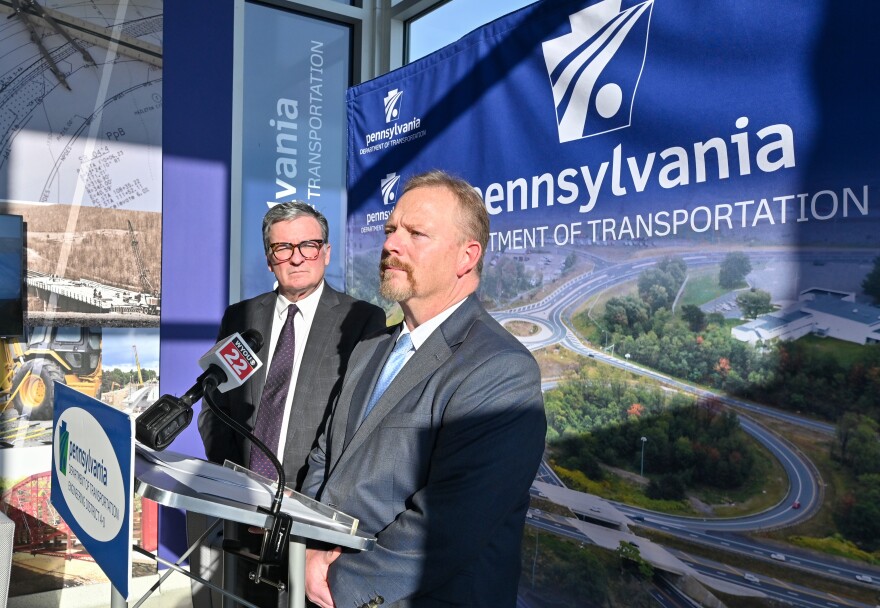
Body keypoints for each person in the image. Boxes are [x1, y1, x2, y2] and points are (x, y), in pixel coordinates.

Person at [302, 171, 547, 607]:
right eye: (390, 230)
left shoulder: (501, 369)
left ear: (466, 257)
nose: (391, 244)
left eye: (415, 233)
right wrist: (307, 550)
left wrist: (340, 581)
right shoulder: (369, 349)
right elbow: (326, 458)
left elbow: (451, 523)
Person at [194, 201, 385, 607]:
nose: (297, 258)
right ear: (269, 259)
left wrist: (312, 500)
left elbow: (357, 425)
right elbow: (214, 407)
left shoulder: (362, 320)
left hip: (313, 518)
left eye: (308, 245)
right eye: (283, 248)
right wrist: (241, 485)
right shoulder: (241, 316)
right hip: (245, 510)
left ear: (326, 252)